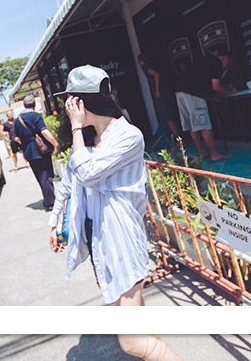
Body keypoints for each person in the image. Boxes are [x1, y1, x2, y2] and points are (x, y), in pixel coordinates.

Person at [48, 65, 183, 361]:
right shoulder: (89, 139)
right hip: (101, 243)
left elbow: (87, 173)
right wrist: (55, 222)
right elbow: (70, 180)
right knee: (140, 323)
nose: (67, 108)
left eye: (70, 101)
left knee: (132, 343)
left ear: (81, 102)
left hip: (121, 241)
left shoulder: (127, 136)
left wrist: (75, 128)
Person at [174, 50, 236, 162]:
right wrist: (229, 92)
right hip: (193, 93)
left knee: (193, 125)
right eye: (229, 63)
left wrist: (209, 97)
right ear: (224, 58)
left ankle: (202, 152)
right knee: (204, 125)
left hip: (180, 92)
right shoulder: (217, 62)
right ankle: (214, 154)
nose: (227, 66)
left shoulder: (205, 60)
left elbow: (199, 80)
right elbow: (216, 86)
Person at [14, 96, 59, 210]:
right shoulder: (35, 116)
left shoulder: (17, 120)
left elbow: (16, 138)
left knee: (40, 176)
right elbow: (44, 131)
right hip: (40, 150)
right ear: (34, 104)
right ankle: (50, 202)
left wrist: (26, 143)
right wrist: (55, 143)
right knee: (46, 175)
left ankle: (48, 198)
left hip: (29, 151)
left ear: (24, 105)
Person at [137, 54, 182, 140]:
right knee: (171, 114)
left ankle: (179, 139)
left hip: (162, 94)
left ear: (140, 61)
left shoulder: (145, 67)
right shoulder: (154, 65)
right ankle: (179, 137)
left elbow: (156, 74)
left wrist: (157, 91)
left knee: (167, 117)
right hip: (168, 92)